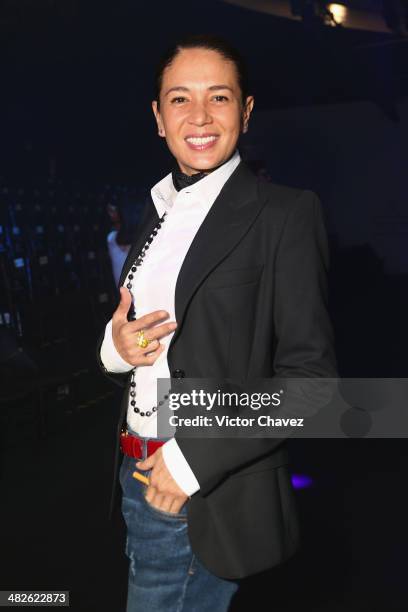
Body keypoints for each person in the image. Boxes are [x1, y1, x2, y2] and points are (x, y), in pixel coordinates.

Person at [96, 33, 337, 612]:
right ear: (158, 118)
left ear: (246, 111)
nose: (199, 116)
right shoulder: (154, 213)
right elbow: (142, 346)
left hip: (201, 491)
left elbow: (312, 386)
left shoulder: (283, 214)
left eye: (219, 97)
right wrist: (115, 349)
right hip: (136, 471)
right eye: (180, 99)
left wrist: (187, 462)